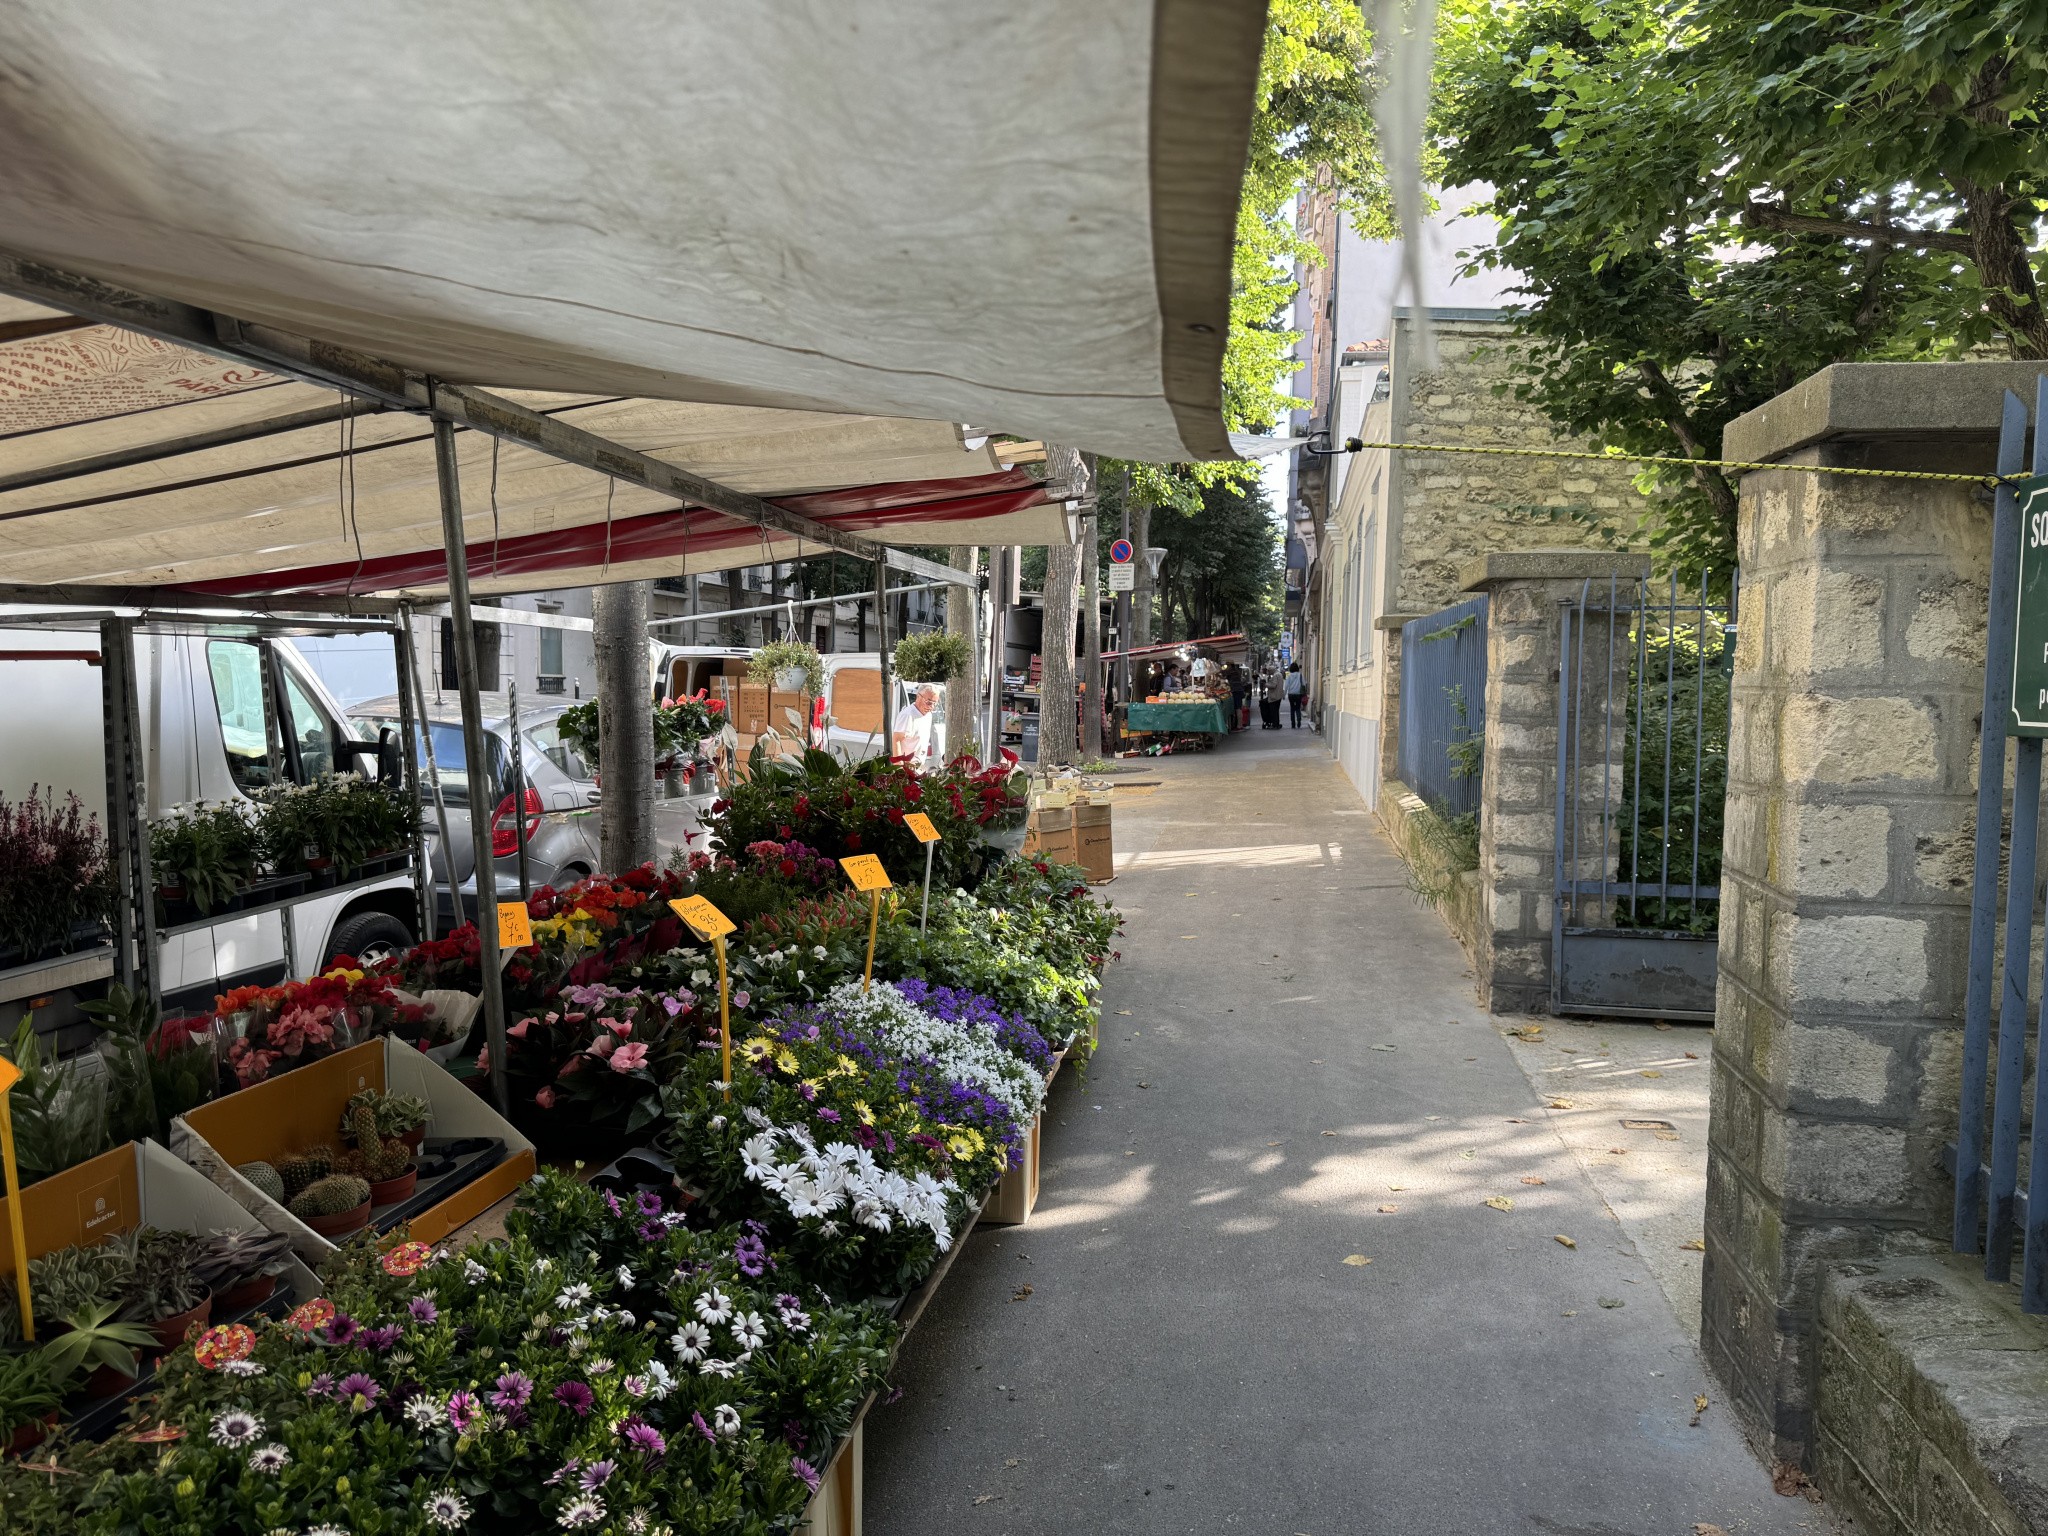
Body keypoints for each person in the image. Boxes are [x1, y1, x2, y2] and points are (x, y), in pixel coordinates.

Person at [892, 683, 939, 766]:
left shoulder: (928, 715)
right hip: (906, 767)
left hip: (919, 766)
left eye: (934, 703)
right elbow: (896, 739)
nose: (931, 707)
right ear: (918, 697)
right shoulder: (907, 715)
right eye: (928, 702)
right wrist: (899, 767)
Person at [1285, 661, 1306, 728]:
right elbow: (1304, 684)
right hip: (1298, 694)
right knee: (1297, 708)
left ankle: (1293, 723)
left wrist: (1284, 694)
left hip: (1291, 694)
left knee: (1292, 709)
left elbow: (1286, 685)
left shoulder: (1289, 676)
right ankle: (1299, 720)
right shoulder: (1300, 675)